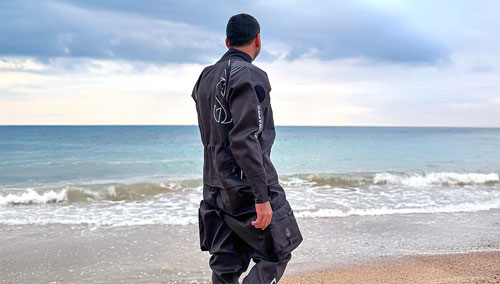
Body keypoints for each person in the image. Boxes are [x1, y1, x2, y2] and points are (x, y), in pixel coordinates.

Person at [191, 13, 303, 284]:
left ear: (228, 41)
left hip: (215, 187)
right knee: (277, 251)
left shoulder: (205, 77)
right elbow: (246, 137)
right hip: (244, 186)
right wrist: (261, 197)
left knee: (226, 265)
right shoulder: (250, 75)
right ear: (258, 40)